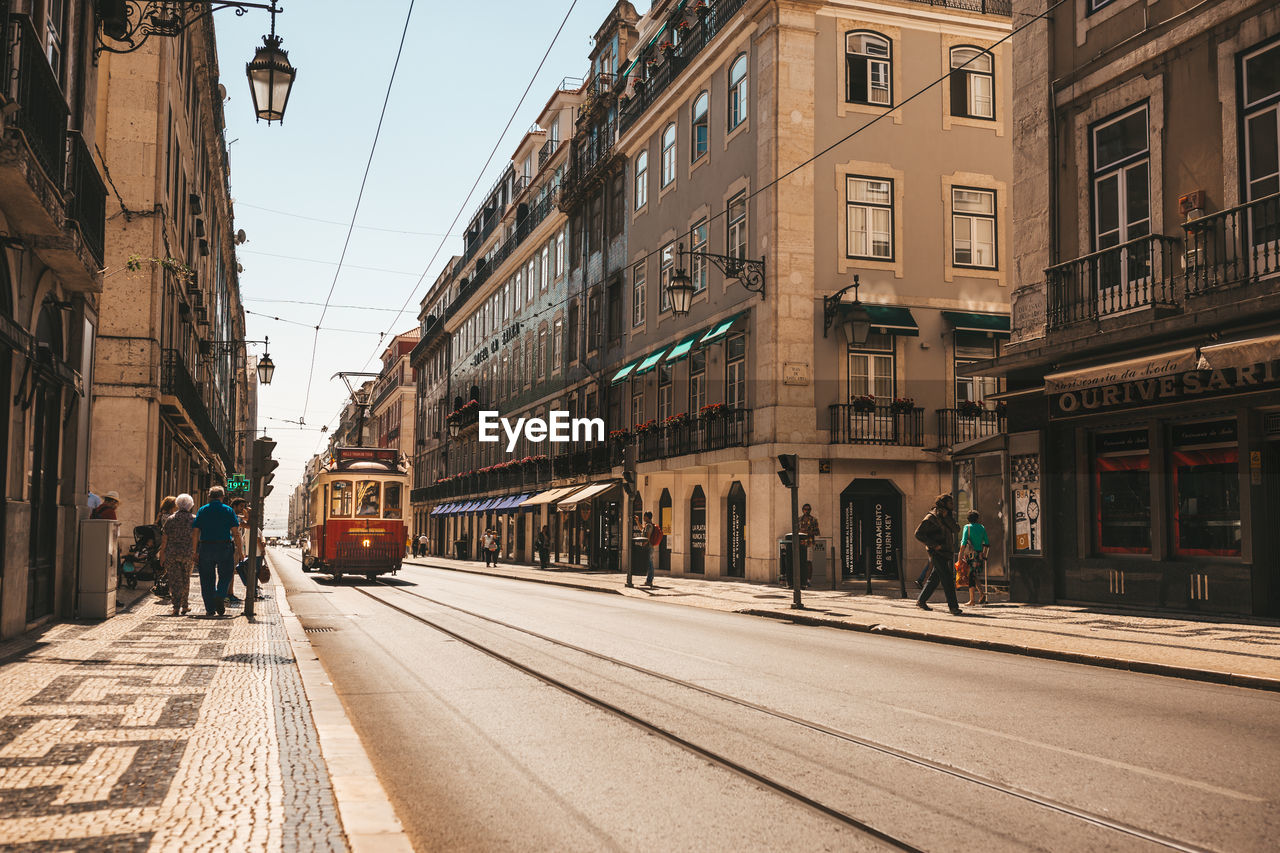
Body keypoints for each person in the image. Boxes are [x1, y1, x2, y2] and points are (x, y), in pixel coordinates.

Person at [192, 486, 242, 617]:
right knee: (226, 573)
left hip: (206, 547)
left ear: (209, 496)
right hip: (224, 547)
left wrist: (194, 551)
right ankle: (220, 594)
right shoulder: (228, 510)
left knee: (206, 578)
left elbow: (196, 532)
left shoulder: (202, 510)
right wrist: (241, 552)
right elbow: (236, 533)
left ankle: (210, 608)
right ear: (222, 497)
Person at [914, 493, 963, 616]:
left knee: (935, 578)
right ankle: (953, 607)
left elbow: (956, 529)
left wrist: (947, 518)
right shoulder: (931, 517)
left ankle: (921, 600)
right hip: (936, 552)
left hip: (946, 552)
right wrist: (933, 545)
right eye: (950, 503)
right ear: (943, 503)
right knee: (947, 579)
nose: (953, 505)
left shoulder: (947, 516)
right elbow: (918, 534)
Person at [157, 494, 197, 616]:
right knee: (186, 579)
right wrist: (195, 552)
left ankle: (175, 607)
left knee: (174, 580)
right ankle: (184, 605)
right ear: (190, 505)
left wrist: (162, 554)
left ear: (177, 505)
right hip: (188, 553)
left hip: (172, 554)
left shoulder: (171, 519)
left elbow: (165, 539)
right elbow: (196, 537)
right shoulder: (194, 519)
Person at [961, 510, 990, 606]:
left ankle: (972, 600)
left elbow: (964, 542)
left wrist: (960, 556)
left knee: (971, 577)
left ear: (968, 519)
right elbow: (986, 543)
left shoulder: (967, 527)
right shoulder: (982, 527)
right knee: (974, 575)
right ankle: (982, 594)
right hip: (979, 554)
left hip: (970, 555)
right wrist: (984, 555)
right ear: (977, 519)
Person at [797, 503, 820, 588]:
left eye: (808, 509)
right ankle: (800, 579)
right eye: (805, 509)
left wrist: (808, 532)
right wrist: (800, 531)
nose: (807, 511)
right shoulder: (799, 519)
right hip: (800, 543)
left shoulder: (814, 520)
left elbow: (817, 532)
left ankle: (808, 580)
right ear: (802, 510)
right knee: (800, 562)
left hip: (809, 543)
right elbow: (795, 530)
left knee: (808, 562)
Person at [642, 511, 662, 587]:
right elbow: (642, 529)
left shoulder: (649, 526)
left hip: (648, 546)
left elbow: (648, 536)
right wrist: (637, 521)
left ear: (647, 517)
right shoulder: (647, 525)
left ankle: (649, 580)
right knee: (649, 563)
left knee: (650, 563)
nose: (643, 518)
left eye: (644, 516)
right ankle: (649, 579)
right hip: (649, 546)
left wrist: (644, 544)